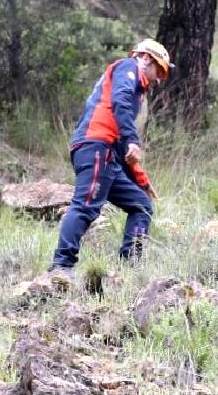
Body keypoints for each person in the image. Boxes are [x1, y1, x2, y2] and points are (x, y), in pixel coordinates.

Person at [49, 39, 171, 275]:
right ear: (145, 57)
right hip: (96, 146)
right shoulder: (128, 67)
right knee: (85, 207)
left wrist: (142, 181)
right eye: (160, 70)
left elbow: (122, 147)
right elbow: (120, 103)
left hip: (107, 155)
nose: (159, 79)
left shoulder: (135, 88)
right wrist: (133, 140)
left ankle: (130, 266)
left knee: (141, 205)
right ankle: (61, 267)